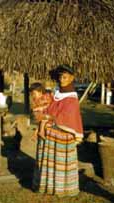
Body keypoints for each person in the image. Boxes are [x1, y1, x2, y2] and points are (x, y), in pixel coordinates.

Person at [33, 64, 83, 197]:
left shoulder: (72, 99)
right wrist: (44, 117)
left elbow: (67, 117)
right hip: (51, 130)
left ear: (72, 78)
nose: (62, 79)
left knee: (60, 164)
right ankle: (47, 186)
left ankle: (62, 188)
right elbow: (50, 109)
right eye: (60, 77)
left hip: (63, 135)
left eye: (65, 77)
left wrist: (48, 118)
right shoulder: (57, 94)